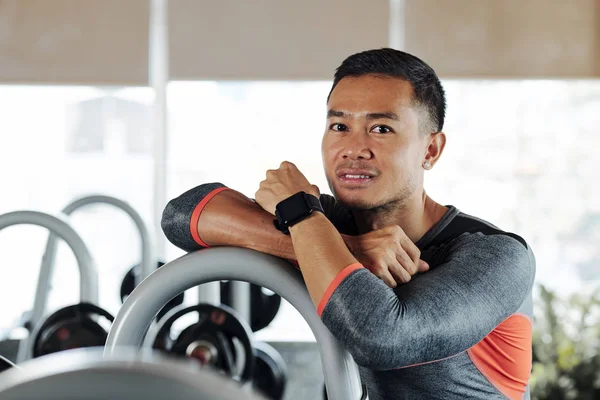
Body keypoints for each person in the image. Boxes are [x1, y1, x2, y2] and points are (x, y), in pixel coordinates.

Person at [161, 48, 536, 400]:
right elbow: (182, 216)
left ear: (431, 150)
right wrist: (349, 247)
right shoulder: (319, 224)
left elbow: (383, 338)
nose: (353, 148)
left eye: (381, 129)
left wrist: (308, 225)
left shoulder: (497, 255)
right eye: (339, 126)